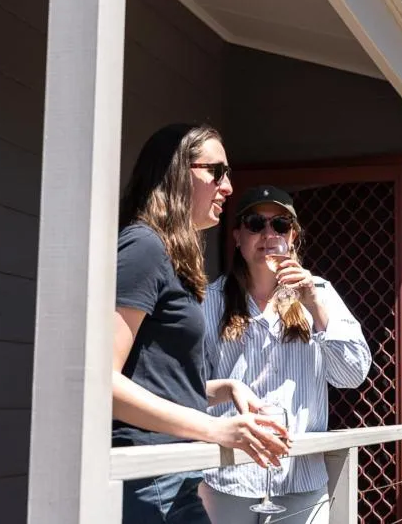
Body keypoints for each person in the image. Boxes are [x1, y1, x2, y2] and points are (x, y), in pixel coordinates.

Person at [113, 125, 290, 524]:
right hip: (148, 478)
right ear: (176, 171)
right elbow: (100, 383)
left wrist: (226, 387)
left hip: (174, 478)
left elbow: (154, 381)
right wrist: (217, 430)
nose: (227, 187)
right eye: (216, 171)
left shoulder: (170, 255)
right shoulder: (143, 247)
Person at [197, 185, 372, 524]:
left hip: (299, 478)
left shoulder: (319, 292)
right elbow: (187, 387)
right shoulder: (210, 300)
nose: (268, 233)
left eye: (280, 224)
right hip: (229, 479)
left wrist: (314, 304)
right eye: (255, 223)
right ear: (237, 236)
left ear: (293, 237)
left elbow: (352, 376)